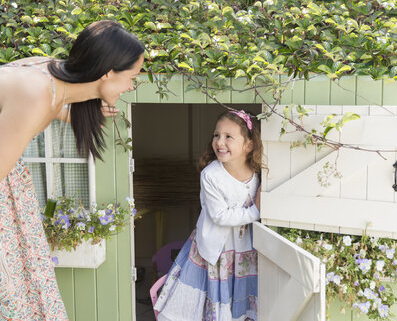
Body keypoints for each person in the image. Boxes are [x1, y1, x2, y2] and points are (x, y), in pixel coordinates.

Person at [0, 20, 144, 320]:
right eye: (132, 77)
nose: (132, 85)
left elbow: (49, 104)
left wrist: (83, 110)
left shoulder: (50, 78)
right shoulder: (38, 93)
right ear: (107, 72)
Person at [153, 110, 264, 321]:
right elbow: (220, 216)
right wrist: (255, 212)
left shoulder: (256, 173)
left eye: (228, 137)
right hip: (217, 251)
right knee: (214, 299)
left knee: (242, 299)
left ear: (248, 145)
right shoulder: (211, 175)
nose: (220, 142)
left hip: (244, 249)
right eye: (216, 135)